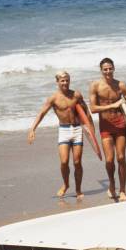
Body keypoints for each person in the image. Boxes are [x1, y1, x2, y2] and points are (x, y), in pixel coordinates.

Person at [28, 71, 91, 199]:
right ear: (57, 82)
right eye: (62, 81)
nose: (65, 83)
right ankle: (66, 184)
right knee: (64, 162)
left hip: (77, 129)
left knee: (77, 162)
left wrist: (90, 129)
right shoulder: (53, 98)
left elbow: (86, 112)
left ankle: (78, 189)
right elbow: (41, 114)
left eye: (67, 80)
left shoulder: (76, 95)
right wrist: (32, 129)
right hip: (64, 130)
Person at [89, 58, 126, 202]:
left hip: (120, 124)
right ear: (101, 70)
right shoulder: (95, 86)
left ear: (114, 68)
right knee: (110, 160)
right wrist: (113, 105)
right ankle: (112, 185)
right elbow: (93, 109)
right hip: (105, 126)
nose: (108, 71)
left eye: (110, 68)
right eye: (105, 69)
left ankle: (123, 190)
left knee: (121, 157)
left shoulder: (121, 85)